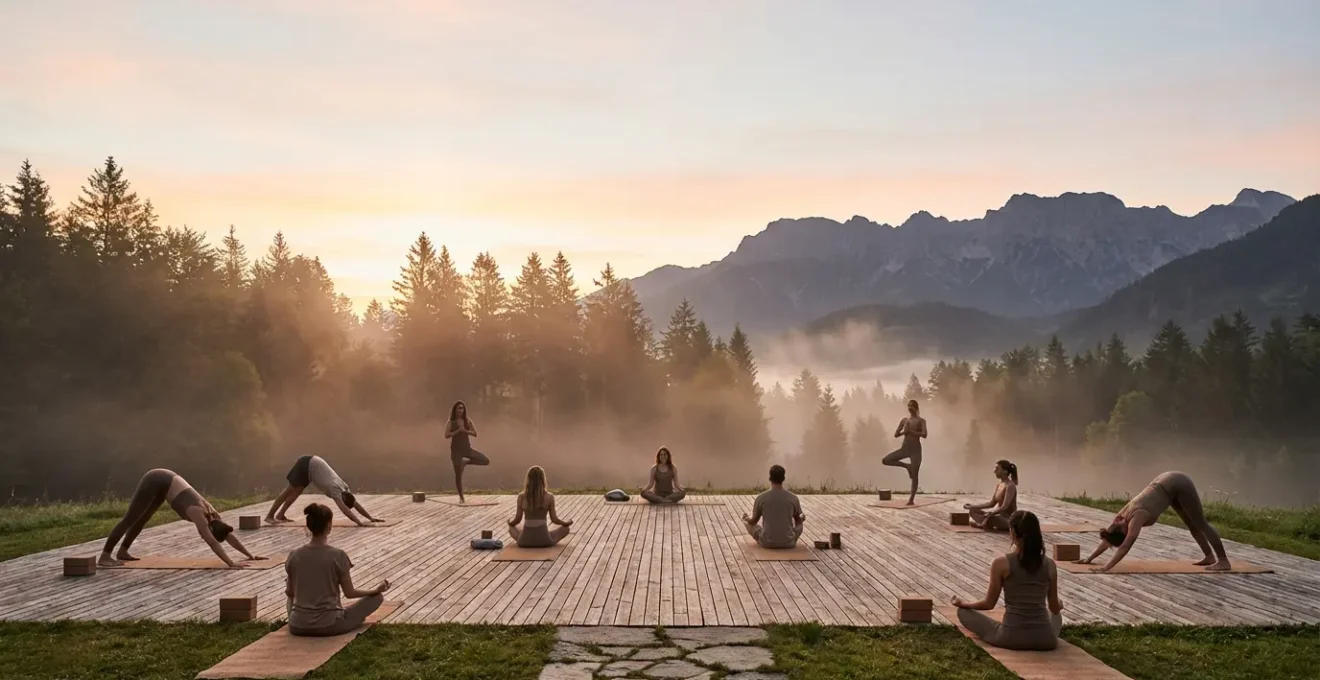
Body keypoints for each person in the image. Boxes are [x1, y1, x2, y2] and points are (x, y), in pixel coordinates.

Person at [99, 469, 264, 569]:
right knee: (131, 518)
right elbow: (212, 542)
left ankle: (122, 552)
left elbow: (229, 536)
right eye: (211, 533)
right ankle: (105, 556)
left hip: (167, 484)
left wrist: (250, 555)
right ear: (212, 528)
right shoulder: (199, 515)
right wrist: (231, 563)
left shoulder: (216, 517)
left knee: (143, 519)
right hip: (156, 479)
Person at [952, 510, 1063, 651]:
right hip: (1045, 640)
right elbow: (1054, 608)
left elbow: (988, 604)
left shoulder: (1001, 563)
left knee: (963, 612)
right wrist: (1059, 604)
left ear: (1012, 532)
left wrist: (964, 604)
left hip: (1010, 637)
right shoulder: (1050, 564)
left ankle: (966, 610)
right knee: (1056, 615)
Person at [1079, 471, 1230, 572]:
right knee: (1192, 525)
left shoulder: (1135, 517)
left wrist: (1106, 567)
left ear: (1124, 530)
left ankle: (1223, 560)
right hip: (1167, 486)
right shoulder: (1120, 520)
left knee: (1200, 523)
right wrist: (1089, 558)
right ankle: (1209, 557)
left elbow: (1126, 545)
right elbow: (1108, 537)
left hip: (1178, 483)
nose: (1115, 522)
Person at [285, 503, 392, 636]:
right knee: (377, 598)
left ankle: (296, 619)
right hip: (328, 624)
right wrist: (375, 590)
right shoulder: (338, 555)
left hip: (297, 625)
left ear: (309, 525)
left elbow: (290, 592)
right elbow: (349, 593)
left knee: (291, 596)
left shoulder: (294, 555)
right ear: (329, 526)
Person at [266, 455, 384, 526]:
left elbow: (355, 504)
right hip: (306, 464)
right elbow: (344, 510)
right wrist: (359, 523)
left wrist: (370, 518)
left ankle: (280, 515)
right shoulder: (336, 489)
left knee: (297, 492)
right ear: (343, 498)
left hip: (312, 467)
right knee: (289, 490)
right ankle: (270, 516)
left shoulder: (345, 487)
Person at [507, 466, 573, 547]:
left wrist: (510, 523)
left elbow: (517, 519)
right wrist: (566, 523)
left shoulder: (521, 496)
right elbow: (554, 519)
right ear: (543, 479)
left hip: (524, 541)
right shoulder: (549, 497)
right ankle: (543, 536)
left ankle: (530, 538)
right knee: (565, 529)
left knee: (512, 528)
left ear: (528, 480)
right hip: (545, 540)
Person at [743, 465, 805, 548]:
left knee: (746, 522)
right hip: (789, 543)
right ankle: (786, 538)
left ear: (770, 478)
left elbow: (753, 522)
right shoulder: (793, 498)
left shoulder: (761, 498)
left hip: (766, 543)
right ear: (783, 478)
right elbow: (799, 519)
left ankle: (763, 538)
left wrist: (746, 518)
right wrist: (802, 517)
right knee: (799, 524)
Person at [882, 400, 927, 505]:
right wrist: (903, 432)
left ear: (916, 408)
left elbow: (924, 434)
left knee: (915, 475)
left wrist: (910, 432)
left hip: (915, 450)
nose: (910, 409)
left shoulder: (921, 421)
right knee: (886, 460)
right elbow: (896, 434)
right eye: (908, 407)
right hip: (905, 449)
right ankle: (907, 466)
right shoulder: (905, 420)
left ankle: (911, 499)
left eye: (912, 407)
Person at [445, 400, 490, 503]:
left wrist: (465, 431)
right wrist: (457, 431)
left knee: (485, 460)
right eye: (458, 408)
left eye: (462, 408)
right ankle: (461, 497)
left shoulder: (467, 421)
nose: (460, 410)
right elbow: (446, 435)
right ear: (455, 410)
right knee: (458, 474)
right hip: (456, 451)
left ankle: (465, 462)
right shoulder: (451, 422)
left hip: (467, 449)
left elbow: (475, 433)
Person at [964, 460, 1019, 531]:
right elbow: (991, 504)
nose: (994, 471)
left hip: (1007, 519)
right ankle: (986, 523)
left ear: (1005, 471)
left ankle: (985, 523)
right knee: (972, 510)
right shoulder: (1000, 484)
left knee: (992, 518)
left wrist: (991, 514)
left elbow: (1004, 507)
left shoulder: (1010, 486)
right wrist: (972, 506)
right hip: (996, 515)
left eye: (997, 469)